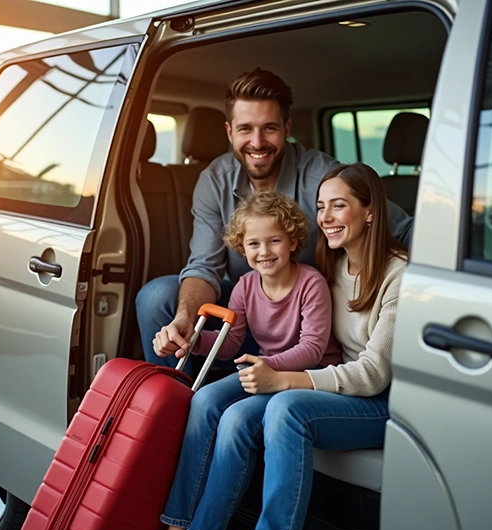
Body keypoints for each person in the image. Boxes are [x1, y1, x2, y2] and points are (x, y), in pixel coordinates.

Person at [161, 162, 407, 530]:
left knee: (282, 409)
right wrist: (193, 338)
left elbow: (371, 372)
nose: (325, 217)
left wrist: (279, 378)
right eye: (321, 206)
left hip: (379, 400)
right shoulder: (335, 264)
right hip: (334, 381)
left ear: (371, 210)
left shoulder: (398, 276)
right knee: (206, 399)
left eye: (338, 206)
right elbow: (237, 337)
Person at [138, 68, 412, 370]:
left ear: (287, 128)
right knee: (157, 296)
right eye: (245, 129)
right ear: (229, 132)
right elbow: (205, 266)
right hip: (250, 311)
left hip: (312, 319)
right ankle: (173, 400)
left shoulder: (323, 176)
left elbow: (402, 229)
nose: (257, 142)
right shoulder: (213, 181)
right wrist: (185, 319)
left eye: (269, 128)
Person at [157, 191, 342, 530]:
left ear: (293, 241)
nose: (265, 251)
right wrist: (193, 340)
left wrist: (268, 367)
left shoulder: (311, 284)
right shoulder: (244, 286)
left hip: (306, 376)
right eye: (254, 243)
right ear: (242, 247)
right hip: (263, 368)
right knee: (204, 399)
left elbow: (313, 348)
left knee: (236, 418)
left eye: (275, 241)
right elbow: (231, 343)